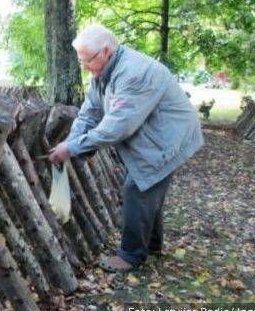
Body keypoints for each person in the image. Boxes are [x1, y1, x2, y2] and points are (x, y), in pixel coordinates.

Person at [48, 24, 203, 272]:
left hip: (168, 137)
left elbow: (118, 126)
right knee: (149, 189)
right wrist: (71, 142)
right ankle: (151, 246)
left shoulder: (133, 73)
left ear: (106, 52)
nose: (85, 67)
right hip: (156, 134)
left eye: (87, 60)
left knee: (138, 188)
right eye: (82, 61)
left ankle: (130, 256)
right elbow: (89, 113)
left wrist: (74, 148)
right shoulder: (102, 75)